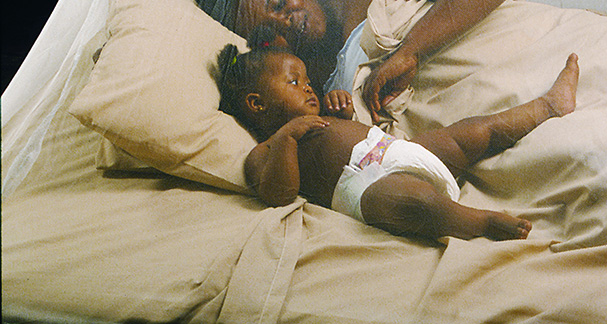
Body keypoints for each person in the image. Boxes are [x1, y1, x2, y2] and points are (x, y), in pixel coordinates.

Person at [216, 37, 580, 242]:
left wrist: (342, 112)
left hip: (390, 148)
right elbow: (279, 194)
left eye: (308, 80)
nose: (309, 87)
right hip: (364, 186)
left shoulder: (319, 114)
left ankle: (547, 106)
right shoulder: (265, 150)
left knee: (471, 133)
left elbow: (344, 135)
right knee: (418, 202)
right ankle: (479, 222)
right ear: (257, 104)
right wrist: (286, 140)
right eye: (294, 82)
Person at [180, 0, 524, 121]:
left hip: (518, 54)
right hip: (490, 119)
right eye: (270, 32)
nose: (288, 21)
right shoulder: (304, 97)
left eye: (279, 3)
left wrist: (411, 53)